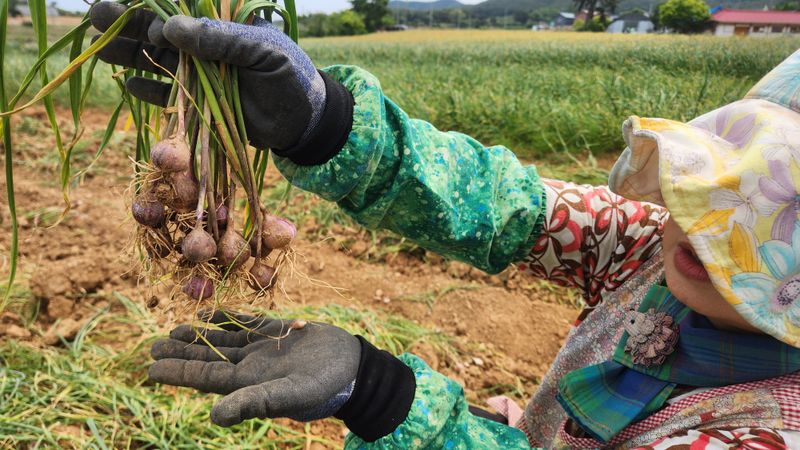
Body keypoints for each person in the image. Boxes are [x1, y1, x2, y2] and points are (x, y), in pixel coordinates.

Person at [89, 4, 800, 448]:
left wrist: (389, 400)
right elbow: (506, 204)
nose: (706, 231)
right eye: (712, 191)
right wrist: (327, 124)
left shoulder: (763, 435)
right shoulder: (651, 246)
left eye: (768, 231)